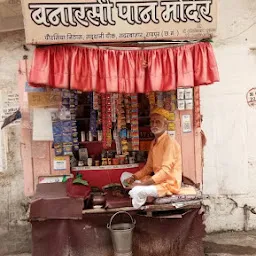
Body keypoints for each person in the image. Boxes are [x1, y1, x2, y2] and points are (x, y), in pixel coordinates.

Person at [122, 107, 182, 209]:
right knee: (124, 176)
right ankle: (144, 195)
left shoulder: (169, 143)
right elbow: (148, 168)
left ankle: (139, 203)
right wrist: (133, 178)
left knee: (135, 191)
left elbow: (165, 173)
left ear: (165, 124)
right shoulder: (153, 143)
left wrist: (142, 185)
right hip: (155, 181)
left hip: (167, 185)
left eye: (158, 122)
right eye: (152, 122)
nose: (154, 125)